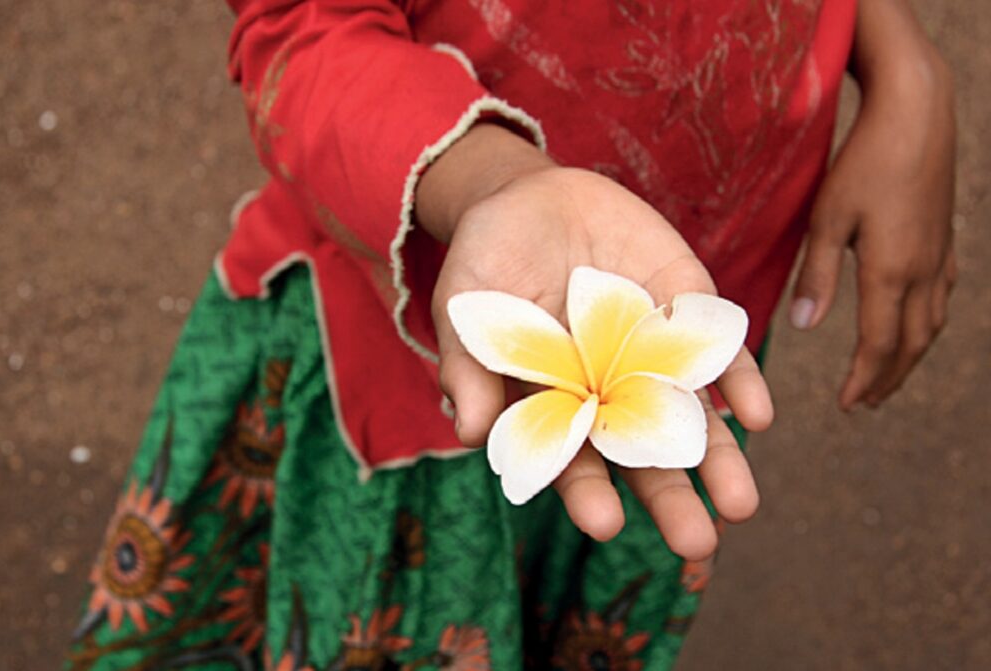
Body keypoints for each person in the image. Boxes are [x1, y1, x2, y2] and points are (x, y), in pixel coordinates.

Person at [65, 0, 955, 668]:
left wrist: (902, 59)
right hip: (416, 358)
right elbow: (303, 28)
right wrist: (494, 180)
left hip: (671, 316)